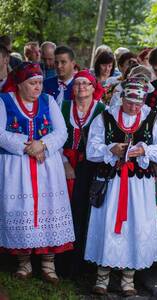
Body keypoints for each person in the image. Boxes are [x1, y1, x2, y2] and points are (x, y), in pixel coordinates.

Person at [85, 78, 157, 296]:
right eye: (129, 102)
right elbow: (92, 149)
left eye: (137, 104)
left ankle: (128, 279)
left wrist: (144, 151)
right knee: (108, 223)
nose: (133, 107)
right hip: (112, 183)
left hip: (139, 185)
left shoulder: (153, 119)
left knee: (135, 225)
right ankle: (102, 277)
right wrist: (111, 149)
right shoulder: (105, 118)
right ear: (122, 97)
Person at [0, 62, 75, 284]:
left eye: (40, 83)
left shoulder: (48, 101)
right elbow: (0, 133)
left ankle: (48, 264)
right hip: (16, 167)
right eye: (32, 83)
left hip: (46, 167)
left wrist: (42, 144)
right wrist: (27, 145)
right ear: (20, 84)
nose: (38, 88)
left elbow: (62, 132)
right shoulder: (4, 101)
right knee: (20, 208)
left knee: (48, 209)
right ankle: (24, 263)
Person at [60, 70, 105, 276]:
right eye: (77, 84)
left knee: (85, 212)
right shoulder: (63, 106)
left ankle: (81, 264)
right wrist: (64, 163)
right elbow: (57, 136)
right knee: (64, 210)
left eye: (86, 84)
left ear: (93, 87)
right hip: (63, 164)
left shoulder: (102, 110)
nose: (81, 88)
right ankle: (61, 260)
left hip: (90, 167)